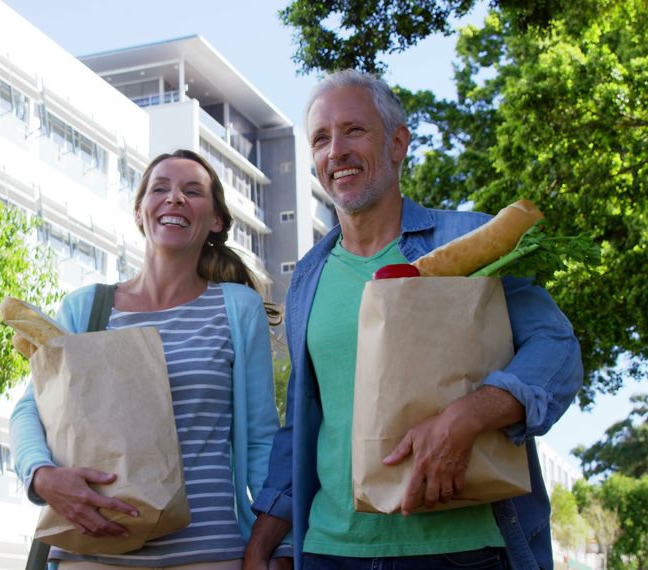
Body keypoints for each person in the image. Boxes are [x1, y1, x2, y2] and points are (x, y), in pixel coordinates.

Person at [243, 70, 583, 570]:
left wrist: (465, 418)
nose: (335, 150)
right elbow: (306, 425)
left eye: (354, 130)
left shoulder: (470, 240)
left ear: (398, 143)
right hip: (329, 551)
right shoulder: (307, 279)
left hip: (460, 550)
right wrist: (263, 541)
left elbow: (558, 349)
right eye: (321, 138)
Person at [11, 149, 291, 569]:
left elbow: (261, 440)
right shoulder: (87, 309)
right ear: (141, 213)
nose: (174, 198)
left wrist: (277, 547)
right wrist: (42, 477)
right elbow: (29, 410)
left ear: (215, 220)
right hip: (93, 553)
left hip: (208, 556)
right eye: (160, 188)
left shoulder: (237, 309)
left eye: (192, 191)